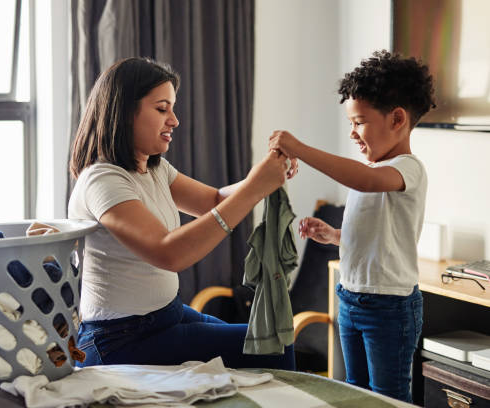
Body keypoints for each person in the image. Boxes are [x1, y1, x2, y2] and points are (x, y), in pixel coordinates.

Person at [68, 57, 298, 370]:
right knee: (274, 344)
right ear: (124, 113)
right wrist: (256, 187)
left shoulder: (154, 167)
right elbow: (169, 253)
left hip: (166, 315)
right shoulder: (102, 179)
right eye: (162, 109)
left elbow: (214, 200)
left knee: (267, 340)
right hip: (121, 340)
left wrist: (265, 175)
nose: (174, 120)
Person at [269, 50, 435, 402]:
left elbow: (366, 182)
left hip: (389, 308)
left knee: (388, 397)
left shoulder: (407, 169)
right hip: (349, 298)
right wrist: (333, 236)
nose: (353, 134)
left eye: (359, 122)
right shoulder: (371, 172)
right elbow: (374, 234)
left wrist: (300, 148)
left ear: (397, 119)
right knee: (355, 394)